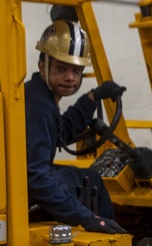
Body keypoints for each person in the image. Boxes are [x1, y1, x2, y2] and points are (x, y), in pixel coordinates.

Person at [25, 19, 127, 234]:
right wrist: (87, 218)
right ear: (43, 67)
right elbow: (36, 175)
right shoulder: (38, 106)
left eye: (76, 70)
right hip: (25, 188)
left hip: (24, 182)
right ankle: (112, 242)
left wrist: (92, 98)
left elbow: (60, 131)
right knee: (91, 181)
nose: (70, 77)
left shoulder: (39, 96)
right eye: (61, 68)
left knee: (83, 177)